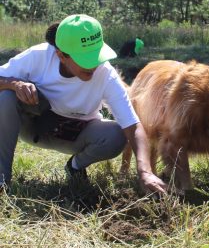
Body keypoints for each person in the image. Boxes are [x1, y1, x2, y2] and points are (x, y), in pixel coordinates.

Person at [0, 14, 167, 194]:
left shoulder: (105, 74)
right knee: (6, 96)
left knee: (116, 135)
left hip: (75, 135)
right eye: (85, 59)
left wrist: (145, 171)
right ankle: (2, 179)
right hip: (33, 127)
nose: (93, 66)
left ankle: (75, 167)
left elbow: (132, 126)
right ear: (61, 55)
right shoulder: (38, 56)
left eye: (96, 56)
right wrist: (14, 84)